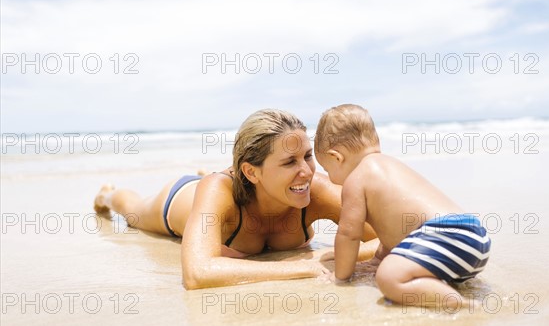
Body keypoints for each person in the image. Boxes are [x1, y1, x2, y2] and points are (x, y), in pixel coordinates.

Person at [94, 109, 377, 289]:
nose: (306, 171)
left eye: (307, 156)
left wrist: (327, 255)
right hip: (181, 200)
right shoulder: (218, 190)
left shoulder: (313, 188)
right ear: (251, 172)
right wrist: (304, 266)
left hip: (246, 187)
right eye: (289, 162)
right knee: (132, 209)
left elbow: (387, 238)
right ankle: (107, 193)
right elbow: (197, 273)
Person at [314, 104, 490, 309]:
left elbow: (348, 234)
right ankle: (435, 284)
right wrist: (379, 258)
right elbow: (395, 228)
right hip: (472, 238)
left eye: (327, 169)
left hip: (444, 236)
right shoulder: (390, 166)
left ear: (337, 157)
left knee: (388, 278)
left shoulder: (356, 179)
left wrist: (341, 276)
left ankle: (460, 304)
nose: (330, 177)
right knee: (391, 266)